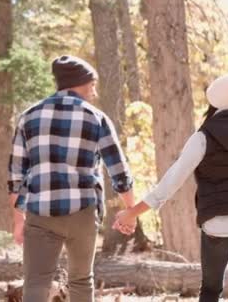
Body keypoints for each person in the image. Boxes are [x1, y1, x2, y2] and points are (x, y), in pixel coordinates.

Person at [114, 73, 228, 302]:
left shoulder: (204, 136)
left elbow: (171, 181)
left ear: (214, 101)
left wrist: (133, 212)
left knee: (211, 291)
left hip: (217, 225)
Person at [8, 55, 136, 302]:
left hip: (40, 212)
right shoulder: (96, 117)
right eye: (93, 85)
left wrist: (17, 219)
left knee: (36, 282)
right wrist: (131, 209)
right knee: (81, 280)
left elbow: (16, 175)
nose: (94, 92)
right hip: (82, 211)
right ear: (82, 83)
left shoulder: (29, 116)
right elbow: (119, 171)